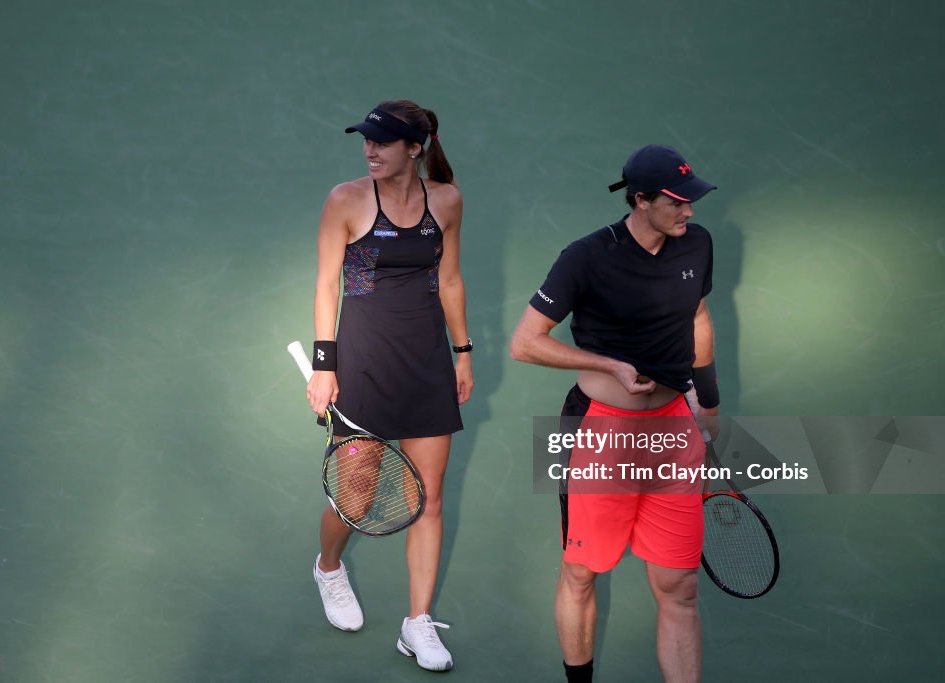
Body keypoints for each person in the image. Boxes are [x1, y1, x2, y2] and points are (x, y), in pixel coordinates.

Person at [510, 144, 721, 682]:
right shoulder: (587, 256)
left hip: (673, 429)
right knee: (582, 572)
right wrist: (610, 365)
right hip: (600, 431)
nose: (688, 212)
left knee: (680, 586)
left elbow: (697, 316)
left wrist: (708, 400)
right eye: (676, 202)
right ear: (640, 200)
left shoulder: (696, 245)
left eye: (690, 200)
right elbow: (527, 343)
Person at [304, 100, 473, 672]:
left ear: (415, 148)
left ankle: (417, 623)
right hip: (363, 364)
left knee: (428, 497)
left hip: (426, 362)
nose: (370, 150)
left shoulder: (445, 201)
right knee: (355, 494)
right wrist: (325, 367)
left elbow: (449, 279)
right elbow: (328, 285)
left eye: (382, 142)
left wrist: (463, 351)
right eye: (366, 141)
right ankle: (329, 567)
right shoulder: (346, 200)